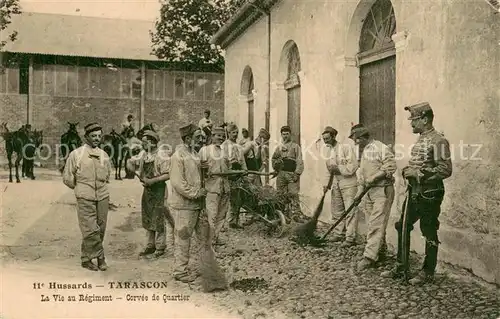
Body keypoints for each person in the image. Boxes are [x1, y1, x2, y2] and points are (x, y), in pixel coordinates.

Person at [381, 102, 452, 285]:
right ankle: (401, 265)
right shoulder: (421, 139)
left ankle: (427, 271)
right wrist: (409, 170)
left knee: (429, 230)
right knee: (402, 225)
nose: (411, 123)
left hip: (430, 193)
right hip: (414, 192)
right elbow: (420, 163)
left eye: (414, 119)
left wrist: (419, 173)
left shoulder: (439, 140)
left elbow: (445, 169)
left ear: (425, 119)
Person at [62, 122, 112, 271]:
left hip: (102, 196)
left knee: (101, 228)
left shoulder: (104, 155)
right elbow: (67, 177)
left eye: (98, 136)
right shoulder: (76, 154)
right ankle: (100, 258)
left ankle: (85, 258)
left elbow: (107, 175)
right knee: (90, 229)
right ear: (86, 137)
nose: (96, 139)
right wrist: (80, 189)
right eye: (93, 136)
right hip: (85, 197)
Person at [350, 124, 397, 271]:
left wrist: (376, 177)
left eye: (357, 140)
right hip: (369, 192)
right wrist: (359, 192)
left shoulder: (379, 147)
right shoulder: (365, 151)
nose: (355, 143)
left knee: (376, 224)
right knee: (373, 223)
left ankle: (369, 257)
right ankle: (380, 253)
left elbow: (391, 166)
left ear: (364, 137)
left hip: (382, 190)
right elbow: (363, 174)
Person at [168, 123, 208, 283]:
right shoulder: (178, 156)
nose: (202, 140)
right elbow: (178, 183)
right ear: (188, 139)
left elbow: (197, 177)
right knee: (183, 237)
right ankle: (180, 271)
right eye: (198, 137)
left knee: (203, 237)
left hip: (197, 204)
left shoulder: (195, 155)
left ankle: (201, 267)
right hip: (183, 205)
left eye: (202, 137)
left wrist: (203, 168)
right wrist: (195, 194)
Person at [127, 130, 172, 258]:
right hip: (147, 190)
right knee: (148, 216)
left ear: (152, 143)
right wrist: (130, 165)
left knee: (158, 218)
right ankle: (150, 245)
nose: (142, 145)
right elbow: (132, 162)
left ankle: (160, 246)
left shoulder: (162, 156)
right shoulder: (144, 154)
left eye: (145, 142)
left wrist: (152, 181)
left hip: (159, 190)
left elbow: (168, 174)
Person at [321, 126, 360, 246]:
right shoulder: (328, 151)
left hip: (348, 183)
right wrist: (326, 184)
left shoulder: (345, 148)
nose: (325, 141)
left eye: (327, 138)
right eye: (324, 139)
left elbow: (353, 166)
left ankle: (350, 237)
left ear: (333, 137)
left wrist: (340, 169)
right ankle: (338, 234)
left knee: (350, 210)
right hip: (336, 183)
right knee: (336, 210)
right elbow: (329, 170)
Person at [199, 126, 230, 245]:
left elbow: (228, 168)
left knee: (222, 214)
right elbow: (200, 170)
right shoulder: (205, 150)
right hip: (211, 187)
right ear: (212, 136)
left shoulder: (224, 152)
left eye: (223, 136)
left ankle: (215, 237)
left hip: (224, 186)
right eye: (218, 136)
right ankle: (209, 240)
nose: (221, 138)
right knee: (211, 214)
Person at [272, 125, 304, 221]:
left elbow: (299, 161)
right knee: (280, 194)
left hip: (291, 174)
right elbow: (273, 159)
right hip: (281, 174)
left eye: (287, 134)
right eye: (283, 134)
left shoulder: (295, 147)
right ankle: (282, 214)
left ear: (290, 134)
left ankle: (296, 215)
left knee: (293, 193)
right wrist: (276, 165)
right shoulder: (279, 147)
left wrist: (297, 173)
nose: (285, 136)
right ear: (281, 135)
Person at [221, 123, 248, 229]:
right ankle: (221, 225)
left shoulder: (239, 146)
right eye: (233, 133)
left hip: (238, 174)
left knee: (237, 199)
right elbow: (223, 160)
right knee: (226, 200)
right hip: (229, 174)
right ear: (228, 133)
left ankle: (233, 221)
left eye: (237, 133)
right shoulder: (225, 145)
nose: (235, 135)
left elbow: (242, 160)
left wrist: (244, 169)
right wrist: (229, 168)